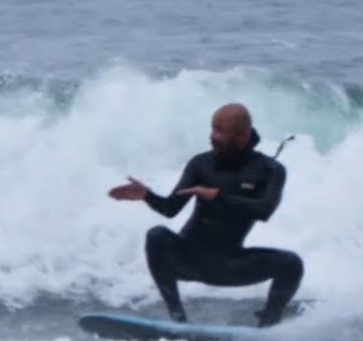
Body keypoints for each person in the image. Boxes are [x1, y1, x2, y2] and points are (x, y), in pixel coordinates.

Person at [108, 103, 303, 327]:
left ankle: (269, 323)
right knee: (157, 235)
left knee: (291, 264)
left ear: (242, 134)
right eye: (212, 128)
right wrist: (147, 195)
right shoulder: (201, 164)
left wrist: (218, 196)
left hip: (231, 264)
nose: (212, 136)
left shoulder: (270, 170)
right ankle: (178, 318)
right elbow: (171, 209)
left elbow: (265, 210)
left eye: (220, 130)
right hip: (188, 258)